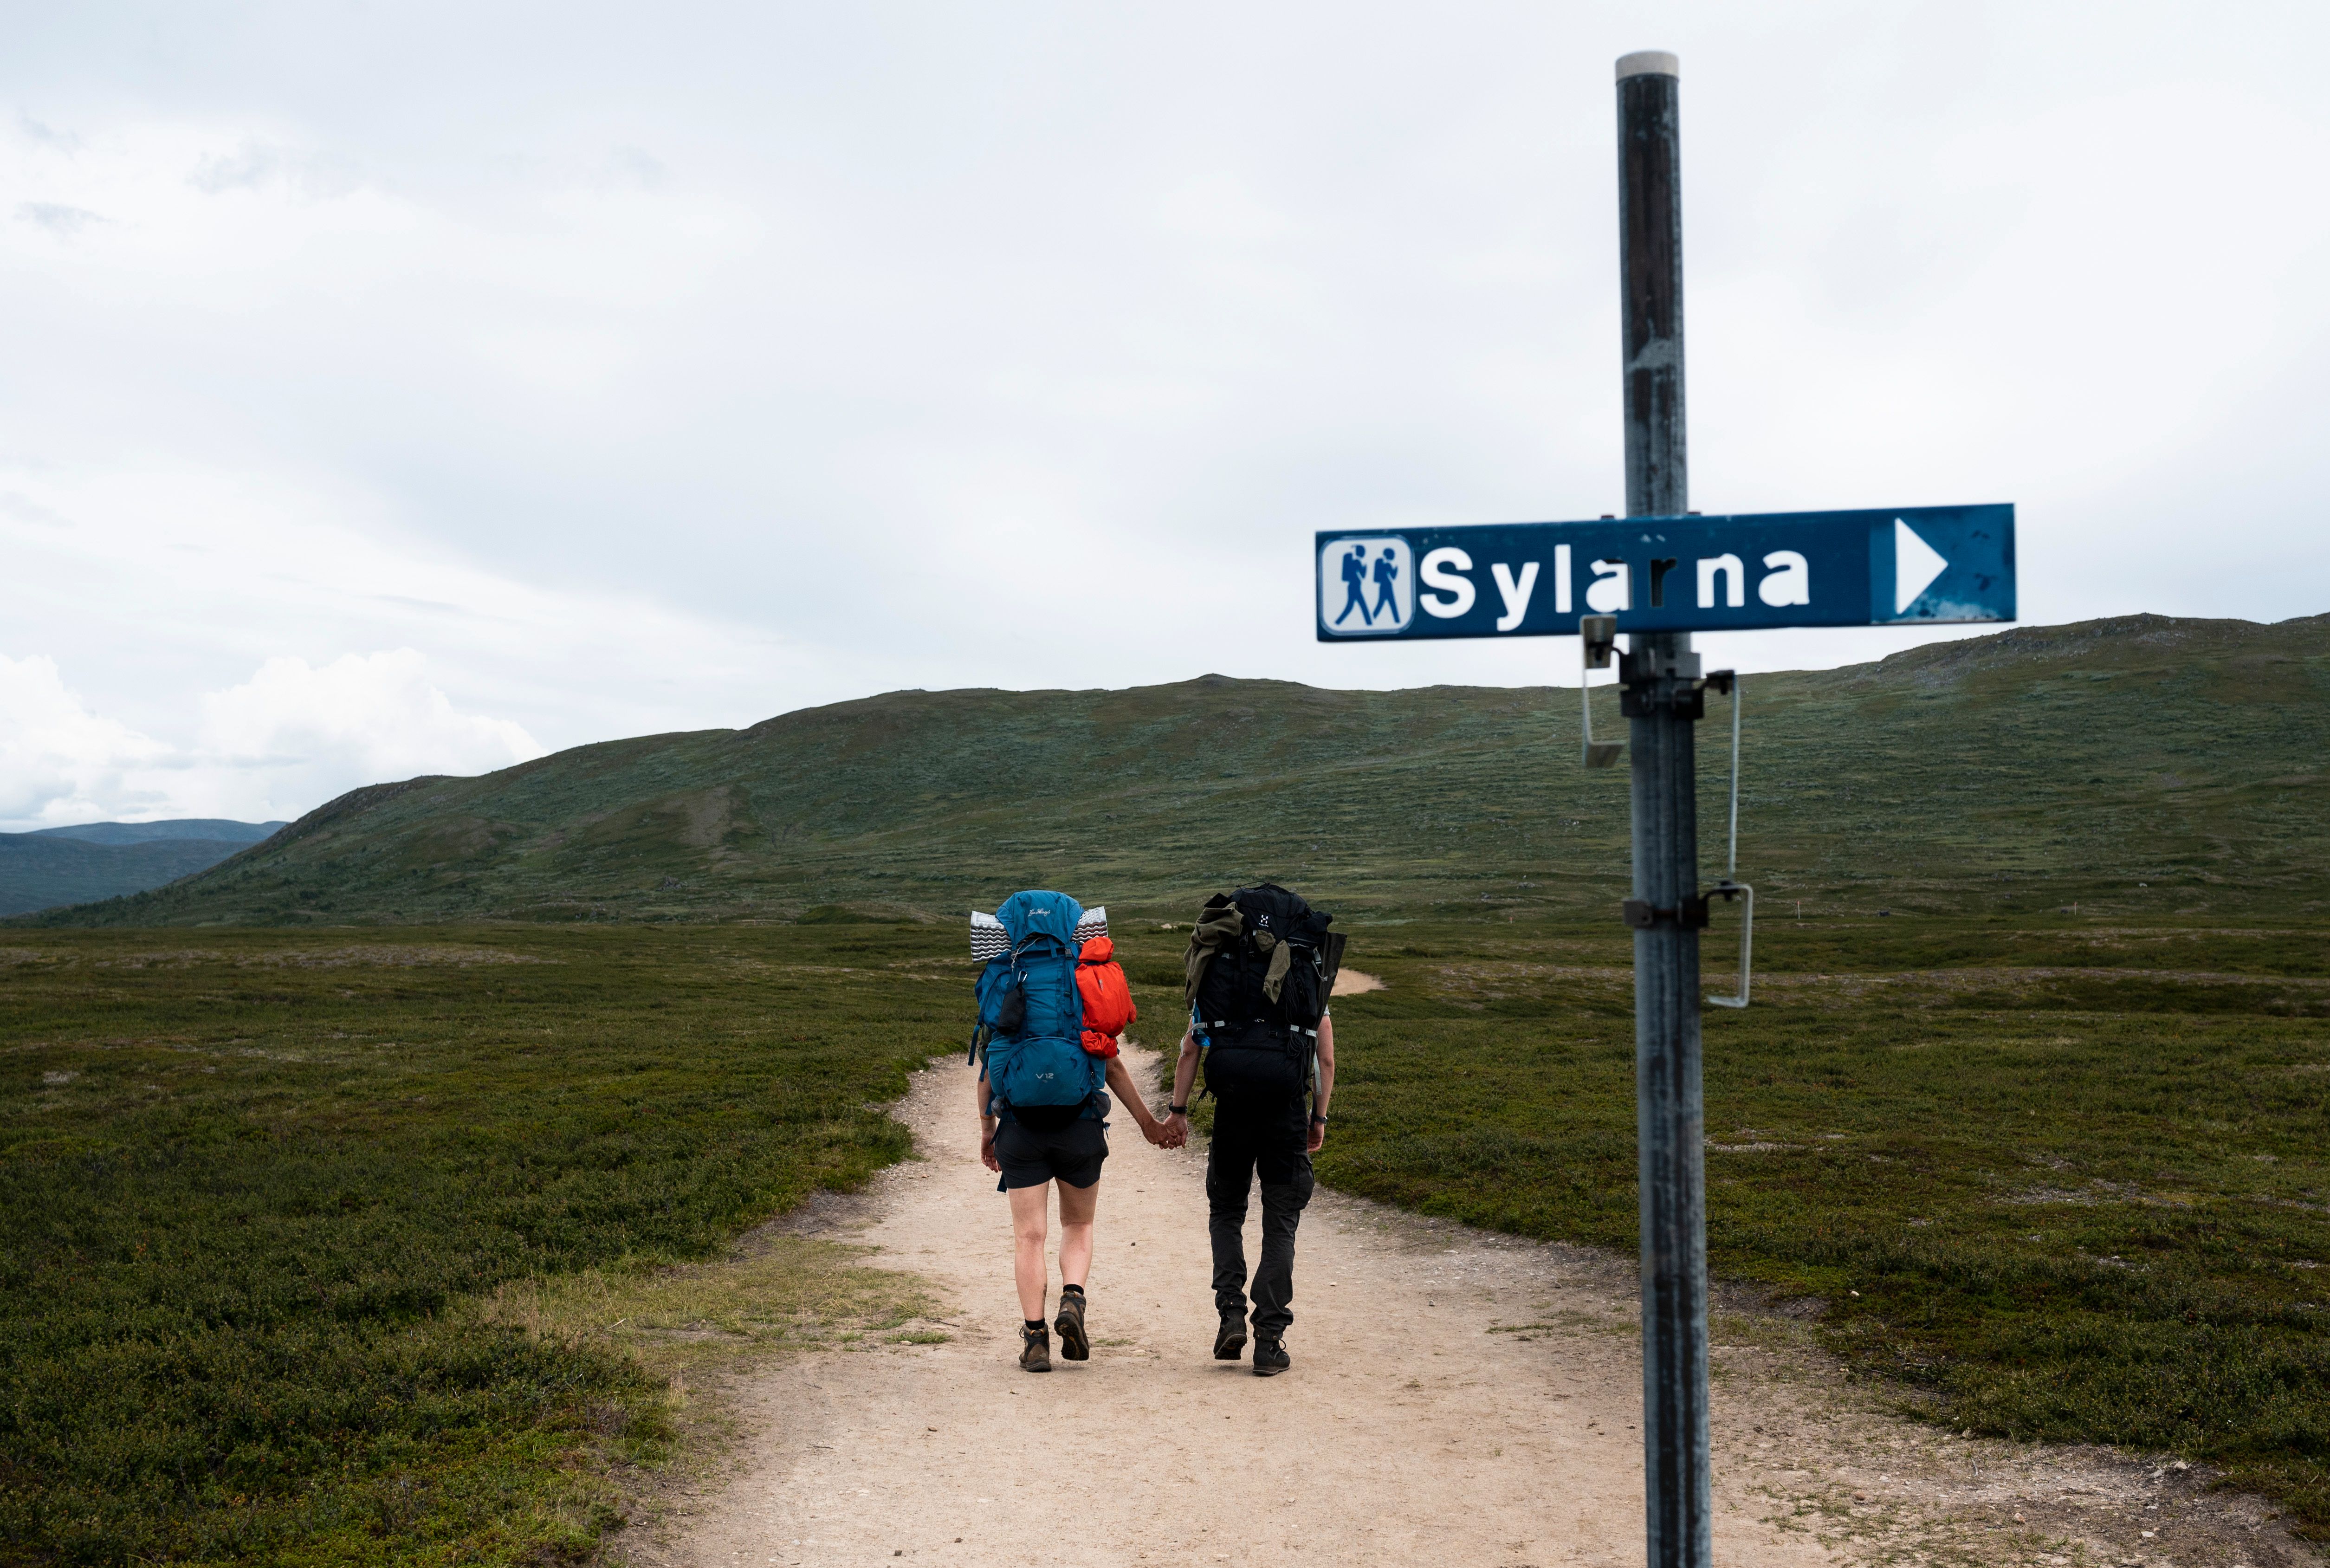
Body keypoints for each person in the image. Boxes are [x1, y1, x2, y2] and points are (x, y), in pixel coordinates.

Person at [972, 896, 1170, 1373]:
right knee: (1077, 1226)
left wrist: (988, 1130)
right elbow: (1113, 1061)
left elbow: (987, 1071)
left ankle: (1035, 1339)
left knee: (1029, 1237)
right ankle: (1073, 1302)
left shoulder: (1002, 977)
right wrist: (1148, 1123)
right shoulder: (1088, 978)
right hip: (1080, 1126)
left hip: (1019, 1129)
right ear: (1072, 929)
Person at [1162, 882, 1339, 1377]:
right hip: (1285, 1111)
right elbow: (1324, 1058)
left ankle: (1230, 1316)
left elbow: (1189, 1050)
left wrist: (1178, 1111)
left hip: (1232, 1109)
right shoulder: (1307, 972)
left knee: (1227, 1210)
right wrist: (1318, 1118)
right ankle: (1269, 1339)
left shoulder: (1220, 969)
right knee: (1280, 1219)